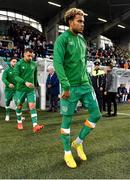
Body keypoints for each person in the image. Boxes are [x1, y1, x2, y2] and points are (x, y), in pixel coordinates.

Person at [54, 8, 101, 168]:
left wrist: (91, 77)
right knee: (67, 120)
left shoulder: (82, 40)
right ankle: (67, 152)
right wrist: (65, 85)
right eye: (79, 21)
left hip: (85, 85)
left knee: (96, 114)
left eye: (83, 22)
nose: (82, 24)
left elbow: (83, 63)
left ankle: (78, 142)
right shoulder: (62, 40)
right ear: (70, 21)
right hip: (71, 87)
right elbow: (57, 63)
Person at [14, 48, 43, 133]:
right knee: (19, 106)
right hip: (20, 89)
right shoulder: (18, 64)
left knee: (32, 106)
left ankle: (35, 125)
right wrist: (25, 82)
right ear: (24, 54)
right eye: (28, 55)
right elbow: (16, 76)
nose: (30, 57)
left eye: (31, 56)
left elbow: (34, 76)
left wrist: (37, 85)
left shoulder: (34, 64)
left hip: (30, 90)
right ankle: (19, 122)